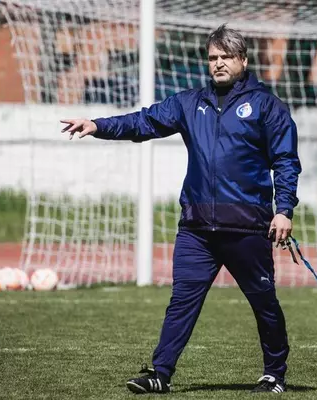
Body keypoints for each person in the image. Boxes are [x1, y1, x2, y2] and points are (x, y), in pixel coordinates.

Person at [61, 24, 301, 394]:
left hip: (247, 227)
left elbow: (285, 161)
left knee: (263, 303)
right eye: (213, 57)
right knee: (181, 302)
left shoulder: (267, 106)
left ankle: (274, 374)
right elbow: (143, 121)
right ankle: (160, 373)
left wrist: (283, 209)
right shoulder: (190, 103)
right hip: (197, 229)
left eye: (226, 57)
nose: (218, 63)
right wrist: (98, 125)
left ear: (243, 60)